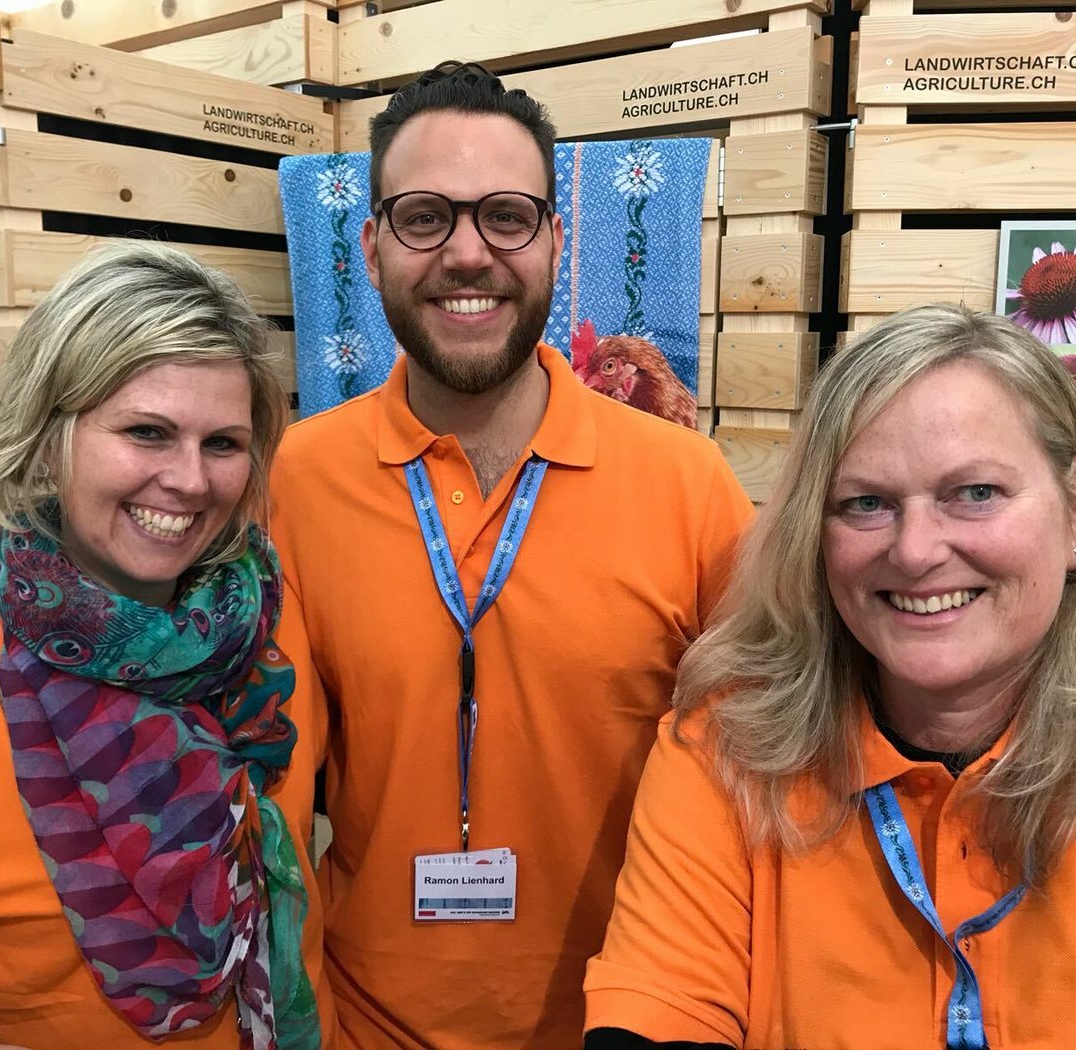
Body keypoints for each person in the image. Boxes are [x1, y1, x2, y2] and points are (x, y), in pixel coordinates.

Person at [583, 304, 1076, 1048]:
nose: (917, 551)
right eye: (867, 503)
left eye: (976, 493)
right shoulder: (728, 748)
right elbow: (664, 1012)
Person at [267, 62, 753, 1047]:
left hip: (620, 1026)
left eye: (505, 216)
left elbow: (762, 778)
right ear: (370, 248)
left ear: (555, 242)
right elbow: (261, 773)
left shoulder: (689, 485)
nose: (466, 253)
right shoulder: (297, 480)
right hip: (365, 1025)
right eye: (423, 217)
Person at [0, 243, 329, 1049]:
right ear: (46, 438)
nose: (190, 480)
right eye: (146, 431)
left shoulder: (269, 638)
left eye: (223, 443)